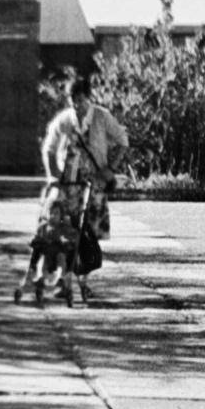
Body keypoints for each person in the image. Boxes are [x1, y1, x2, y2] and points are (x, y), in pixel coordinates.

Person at [41, 76, 129, 297]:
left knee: (89, 233)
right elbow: (49, 146)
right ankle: (64, 280)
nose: (75, 104)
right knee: (62, 228)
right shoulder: (65, 119)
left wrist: (111, 169)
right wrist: (54, 176)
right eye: (72, 99)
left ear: (88, 97)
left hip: (94, 184)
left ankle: (83, 281)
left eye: (79, 99)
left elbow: (122, 141)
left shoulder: (101, 116)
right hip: (69, 184)